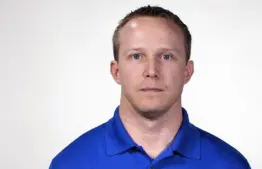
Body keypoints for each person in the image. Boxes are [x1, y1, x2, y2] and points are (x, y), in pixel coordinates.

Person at [49, 5, 251, 169]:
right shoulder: (69, 164)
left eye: (166, 56)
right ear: (116, 71)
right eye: (137, 56)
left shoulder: (230, 164)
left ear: (187, 72)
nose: (152, 71)